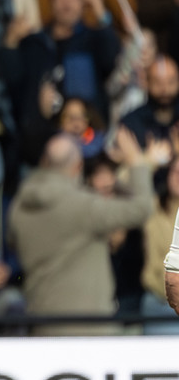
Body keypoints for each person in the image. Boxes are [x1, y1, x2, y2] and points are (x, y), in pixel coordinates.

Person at [9, 129, 154, 334]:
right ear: (78, 167)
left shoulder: (18, 206)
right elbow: (141, 209)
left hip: (42, 326)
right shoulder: (82, 206)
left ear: (44, 162)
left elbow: (13, 243)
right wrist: (136, 160)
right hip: (89, 330)